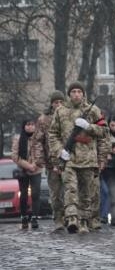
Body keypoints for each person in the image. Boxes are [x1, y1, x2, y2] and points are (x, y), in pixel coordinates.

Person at [48, 82, 107, 234]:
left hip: (88, 159)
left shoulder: (93, 110)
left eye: (79, 92)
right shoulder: (61, 111)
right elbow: (53, 134)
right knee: (70, 189)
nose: (76, 94)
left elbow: (104, 132)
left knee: (86, 193)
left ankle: (84, 221)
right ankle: (72, 218)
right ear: (69, 94)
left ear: (83, 94)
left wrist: (89, 126)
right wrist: (59, 151)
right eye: (73, 92)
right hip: (69, 159)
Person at [38, 91, 65, 231]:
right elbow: (39, 142)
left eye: (61, 102)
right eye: (56, 102)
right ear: (52, 104)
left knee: (69, 191)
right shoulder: (43, 120)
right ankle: (58, 219)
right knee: (55, 193)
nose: (59, 105)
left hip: (67, 161)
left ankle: (69, 217)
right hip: (51, 162)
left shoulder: (69, 116)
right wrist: (41, 160)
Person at [12, 119, 46, 229]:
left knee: (36, 193)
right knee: (23, 195)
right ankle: (24, 216)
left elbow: (42, 153)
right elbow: (15, 156)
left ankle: (35, 217)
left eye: (32, 124)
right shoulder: (18, 138)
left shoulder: (39, 138)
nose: (30, 127)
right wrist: (28, 166)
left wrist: (34, 165)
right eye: (28, 124)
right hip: (23, 170)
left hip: (37, 170)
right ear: (24, 126)